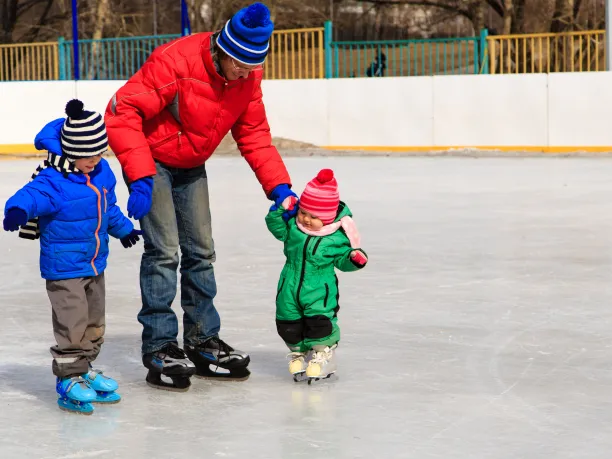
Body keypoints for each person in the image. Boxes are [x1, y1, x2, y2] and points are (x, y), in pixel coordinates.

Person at [104, 2, 297, 391]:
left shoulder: (246, 79)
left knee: (201, 251)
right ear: (223, 51)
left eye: (253, 67)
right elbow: (122, 111)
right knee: (164, 251)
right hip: (152, 159)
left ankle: (201, 339)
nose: (246, 73)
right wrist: (140, 177)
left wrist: (280, 188)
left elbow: (254, 134)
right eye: (240, 65)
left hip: (191, 163)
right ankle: (159, 345)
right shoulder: (176, 61)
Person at [2, 100, 142, 414]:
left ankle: (84, 368)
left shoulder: (101, 172)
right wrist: (17, 211)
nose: (95, 159)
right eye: (88, 155)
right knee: (72, 322)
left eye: (99, 152)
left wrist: (123, 230)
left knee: (94, 321)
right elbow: (29, 195)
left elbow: (109, 208)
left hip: (94, 263)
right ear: (71, 152)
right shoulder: (53, 180)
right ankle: (68, 377)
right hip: (63, 268)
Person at [265, 169, 368, 383]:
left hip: (319, 289)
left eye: (314, 217)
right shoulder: (293, 227)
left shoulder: (335, 238)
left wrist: (354, 259)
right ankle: (299, 353)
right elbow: (276, 228)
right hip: (289, 285)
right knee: (287, 321)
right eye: (304, 213)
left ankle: (323, 355)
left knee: (319, 323)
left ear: (328, 217)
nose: (306, 219)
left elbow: (342, 259)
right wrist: (278, 211)